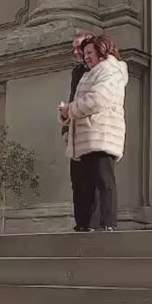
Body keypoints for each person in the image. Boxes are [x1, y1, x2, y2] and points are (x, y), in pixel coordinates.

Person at [59, 34, 128, 232]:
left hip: (101, 133)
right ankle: (84, 224)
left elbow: (98, 98)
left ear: (101, 50)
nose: (83, 55)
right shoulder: (87, 72)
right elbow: (77, 97)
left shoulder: (110, 70)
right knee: (82, 183)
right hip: (84, 135)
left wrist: (70, 110)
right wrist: (66, 118)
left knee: (104, 179)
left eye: (88, 51)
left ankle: (107, 224)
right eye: (83, 52)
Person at [64, 32, 100, 232]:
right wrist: (65, 129)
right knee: (77, 180)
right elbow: (72, 99)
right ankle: (81, 224)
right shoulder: (77, 72)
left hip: (94, 132)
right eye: (76, 49)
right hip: (76, 131)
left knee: (95, 180)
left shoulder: (102, 70)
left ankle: (94, 224)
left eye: (81, 48)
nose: (78, 53)